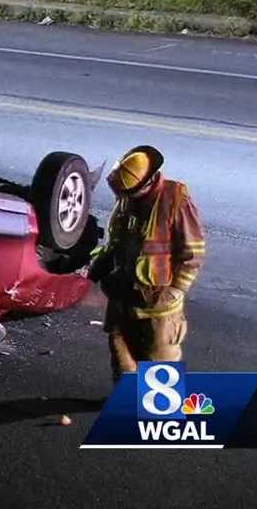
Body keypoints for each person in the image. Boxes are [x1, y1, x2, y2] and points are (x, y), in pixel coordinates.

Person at [88, 145, 206, 382]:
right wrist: (96, 269)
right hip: (122, 300)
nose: (123, 198)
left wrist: (174, 291)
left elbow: (193, 254)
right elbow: (117, 242)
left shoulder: (175, 201)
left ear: (147, 183)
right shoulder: (127, 199)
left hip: (157, 309)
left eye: (127, 194)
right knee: (122, 363)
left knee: (158, 372)